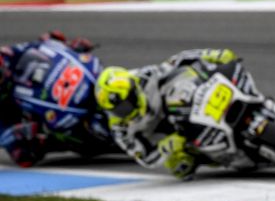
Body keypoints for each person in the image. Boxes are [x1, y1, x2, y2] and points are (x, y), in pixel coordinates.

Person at [94, 48, 261, 179]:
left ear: (134, 89)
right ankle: (226, 156)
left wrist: (211, 54)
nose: (126, 110)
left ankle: (244, 97)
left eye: (127, 103)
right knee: (180, 167)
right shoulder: (119, 128)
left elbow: (178, 60)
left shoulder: (143, 76)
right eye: (119, 110)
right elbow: (144, 159)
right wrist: (164, 148)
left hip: (177, 106)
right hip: (170, 135)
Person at [0, 30, 99, 166]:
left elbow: (38, 45)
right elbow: (7, 140)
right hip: (33, 119)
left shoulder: (7, 54)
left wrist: (64, 44)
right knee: (24, 154)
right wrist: (18, 135)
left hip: (47, 88)